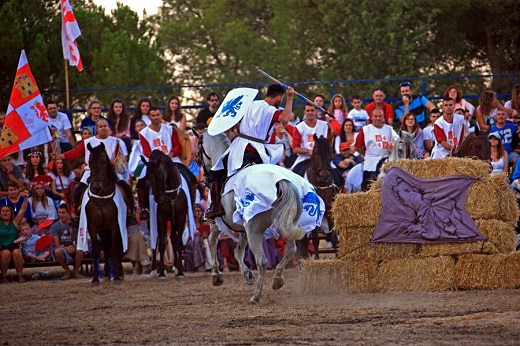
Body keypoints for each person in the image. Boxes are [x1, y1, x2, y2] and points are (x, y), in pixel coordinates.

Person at [207, 84, 295, 219]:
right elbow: (285, 118)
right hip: (257, 150)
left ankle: (215, 207)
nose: (281, 102)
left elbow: (234, 120)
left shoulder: (250, 104)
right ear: (278, 97)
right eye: (281, 99)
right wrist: (290, 98)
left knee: (216, 172)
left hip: (239, 147)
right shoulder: (270, 110)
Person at [136, 107, 196, 219]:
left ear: (161, 115)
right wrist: (160, 158)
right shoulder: (144, 133)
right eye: (153, 115)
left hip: (172, 160)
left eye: (158, 115)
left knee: (191, 178)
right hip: (154, 162)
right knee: (142, 182)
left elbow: (177, 146)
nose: (156, 117)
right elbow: (147, 151)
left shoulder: (169, 129)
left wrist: (169, 155)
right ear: (149, 117)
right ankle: (145, 209)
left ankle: (191, 206)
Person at [72, 119, 132, 218]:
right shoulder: (88, 142)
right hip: (91, 171)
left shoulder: (117, 141)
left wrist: (114, 162)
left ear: (108, 128)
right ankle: (78, 213)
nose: (103, 128)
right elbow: (74, 153)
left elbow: (124, 157)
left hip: (112, 171)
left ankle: (130, 212)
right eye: (101, 126)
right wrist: (61, 156)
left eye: (105, 126)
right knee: (79, 190)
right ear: (96, 129)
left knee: (126, 188)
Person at [353, 107, 399, 190]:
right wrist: (368, 154)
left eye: (380, 116)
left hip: (387, 160)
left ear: (383, 117)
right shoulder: (365, 130)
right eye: (376, 116)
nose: (378, 118)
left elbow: (398, 142)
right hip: (371, 161)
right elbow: (357, 147)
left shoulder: (389, 129)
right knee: (368, 186)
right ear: (371, 117)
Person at [291, 103, 332, 176]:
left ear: (316, 111)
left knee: (337, 175)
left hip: (323, 159)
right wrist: (308, 151)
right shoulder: (298, 127)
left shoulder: (325, 125)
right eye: (308, 110)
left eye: (312, 110)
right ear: (304, 112)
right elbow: (295, 149)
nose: (310, 113)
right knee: (292, 174)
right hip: (304, 158)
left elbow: (330, 142)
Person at [0, 189, 29, 283]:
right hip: (1, 248)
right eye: (3, 211)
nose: (5, 212)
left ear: (11, 212)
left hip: (13, 246)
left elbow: (23, 209)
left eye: (7, 210)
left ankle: (20, 276)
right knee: (6, 253)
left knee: (16, 252)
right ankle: (3, 276)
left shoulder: (15, 223)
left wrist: (25, 198)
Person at [50, 204, 83, 280]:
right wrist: (66, 248)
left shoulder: (75, 224)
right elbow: (56, 244)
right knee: (57, 251)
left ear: (69, 213)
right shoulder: (55, 226)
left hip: (74, 247)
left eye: (63, 213)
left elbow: (79, 240)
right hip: (62, 248)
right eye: (59, 212)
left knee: (80, 249)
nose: (60, 215)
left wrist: (74, 247)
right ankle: (67, 272)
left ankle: (76, 272)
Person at [184, 203, 210, 272]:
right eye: (196, 211)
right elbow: (185, 237)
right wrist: (199, 233)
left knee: (203, 241)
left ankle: (209, 264)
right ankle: (199, 264)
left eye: (200, 211)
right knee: (197, 240)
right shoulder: (188, 222)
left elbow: (207, 233)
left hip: (203, 241)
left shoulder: (205, 222)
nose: (198, 213)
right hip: (190, 243)